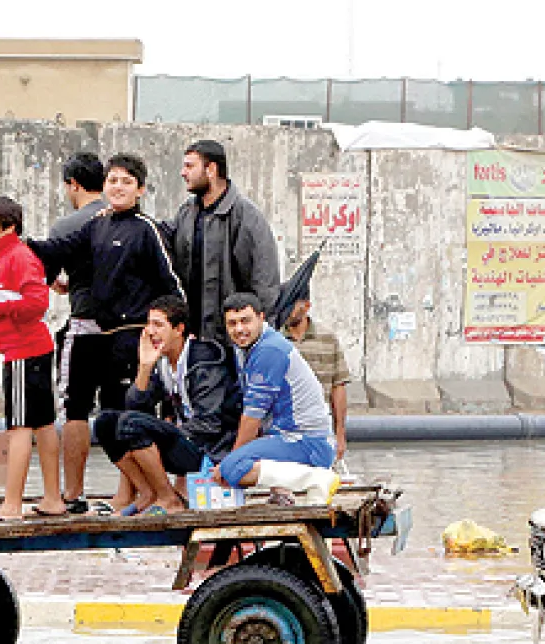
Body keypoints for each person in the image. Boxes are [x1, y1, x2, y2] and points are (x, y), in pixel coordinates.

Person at [26, 153, 181, 514]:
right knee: (106, 419)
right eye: (113, 180)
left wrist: (160, 331)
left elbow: (171, 286)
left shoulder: (146, 229)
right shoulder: (97, 223)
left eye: (127, 182)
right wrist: (17, 238)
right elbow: (58, 250)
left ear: (140, 189)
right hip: (106, 334)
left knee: (128, 415)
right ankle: (135, 493)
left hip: (134, 337)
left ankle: (156, 495)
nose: (118, 187)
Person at [93, 294, 240, 514]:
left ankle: (169, 499)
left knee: (131, 426)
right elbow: (134, 407)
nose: (151, 331)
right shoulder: (162, 361)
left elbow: (210, 424)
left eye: (159, 325)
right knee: (106, 423)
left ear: (179, 329)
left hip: (209, 449)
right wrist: (144, 366)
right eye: (149, 324)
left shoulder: (205, 360)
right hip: (184, 440)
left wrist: (167, 431)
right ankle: (148, 494)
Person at [0, 196, 66, 521]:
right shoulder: (1, 258)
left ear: (9, 226)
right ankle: (53, 498)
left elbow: (37, 303)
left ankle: (12, 505)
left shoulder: (17, 257)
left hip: (25, 351)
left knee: (20, 426)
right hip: (26, 350)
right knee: (43, 424)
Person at [215, 293, 340, 503]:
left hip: (309, 443)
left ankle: (318, 478)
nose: (239, 329)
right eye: (232, 323)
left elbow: (252, 417)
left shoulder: (269, 350)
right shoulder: (251, 346)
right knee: (238, 460)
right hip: (290, 436)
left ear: (261, 318)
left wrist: (232, 462)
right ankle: (283, 491)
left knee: (234, 467)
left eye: (246, 321)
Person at [165, 140, 281, 345]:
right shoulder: (186, 213)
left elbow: (265, 282)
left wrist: (260, 336)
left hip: (234, 342)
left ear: (211, 169)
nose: (183, 173)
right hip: (194, 341)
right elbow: (162, 241)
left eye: (190, 166)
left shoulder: (246, 216)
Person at [281, 289, 349, 465]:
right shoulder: (276, 339)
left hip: (320, 426)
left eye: (292, 305)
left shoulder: (327, 338)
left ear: (307, 306)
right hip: (285, 429)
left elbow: (338, 386)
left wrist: (340, 434)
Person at [45, 151, 107, 340]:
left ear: (73, 184)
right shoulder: (124, 220)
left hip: (85, 318)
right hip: (124, 323)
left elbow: (49, 276)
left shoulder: (65, 227)